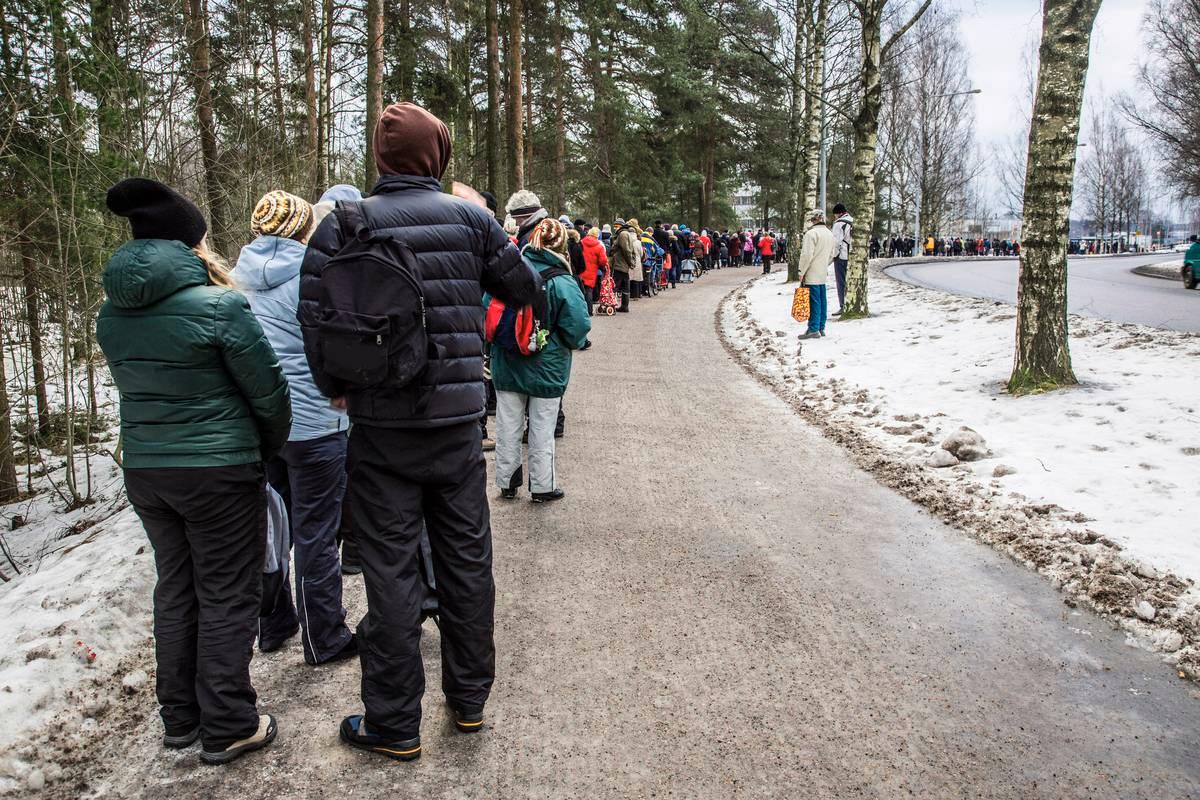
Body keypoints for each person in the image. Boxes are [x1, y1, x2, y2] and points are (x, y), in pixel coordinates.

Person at [298, 102, 538, 761]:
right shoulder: (472, 220)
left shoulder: (342, 224)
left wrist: (336, 391)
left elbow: (313, 321)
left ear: (379, 158)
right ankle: (468, 703)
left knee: (392, 574)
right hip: (458, 429)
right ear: (437, 156)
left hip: (378, 430)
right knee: (466, 564)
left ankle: (395, 723)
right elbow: (525, 292)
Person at [97, 178, 291, 764]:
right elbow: (268, 392)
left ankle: (180, 718)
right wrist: (266, 447)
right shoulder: (219, 305)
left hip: (149, 472)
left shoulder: (113, 314)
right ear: (191, 244)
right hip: (219, 470)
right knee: (227, 592)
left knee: (175, 589)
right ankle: (230, 721)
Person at [232, 187, 359, 666]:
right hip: (317, 426)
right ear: (306, 228)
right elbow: (335, 350)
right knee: (316, 535)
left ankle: (275, 622)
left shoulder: (234, 282)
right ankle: (323, 637)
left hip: (264, 428)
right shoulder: (316, 277)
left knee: (272, 528)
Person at [490, 218, 591, 503]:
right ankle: (543, 486)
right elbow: (578, 327)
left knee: (508, 425)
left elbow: (488, 313)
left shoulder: (507, 273)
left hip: (507, 364)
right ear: (560, 244)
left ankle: (507, 482)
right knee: (542, 429)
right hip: (547, 368)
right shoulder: (562, 280)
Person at [796, 208, 835, 340]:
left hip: (811, 271)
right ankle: (820, 327)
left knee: (814, 301)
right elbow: (832, 255)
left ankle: (813, 328)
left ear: (812, 220)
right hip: (822, 271)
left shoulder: (811, 234)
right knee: (822, 299)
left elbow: (807, 255)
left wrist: (801, 271)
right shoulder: (829, 234)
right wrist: (824, 264)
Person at [610, 218, 640, 312]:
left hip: (620, 264)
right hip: (624, 265)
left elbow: (626, 250)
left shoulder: (622, 234)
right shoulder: (625, 233)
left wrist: (630, 262)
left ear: (621, 226)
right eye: (614, 226)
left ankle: (611, 305)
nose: (615, 228)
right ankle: (624, 306)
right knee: (625, 286)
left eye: (617, 226)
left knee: (615, 285)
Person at [830, 203, 853, 316]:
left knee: (841, 282)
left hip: (842, 256)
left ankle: (843, 305)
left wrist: (833, 256)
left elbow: (836, 242)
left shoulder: (839, 224)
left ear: (838, 213)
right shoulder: (852, 220)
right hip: (853, 256)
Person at [580, 226, 607, 314]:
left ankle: (580, 311)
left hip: (581, 270)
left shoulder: (581, 242)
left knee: (580, 290)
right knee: (589, 291)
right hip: (592, 271)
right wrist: (600, 266)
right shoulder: (599, 246)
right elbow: (603, 261)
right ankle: (589, 311)